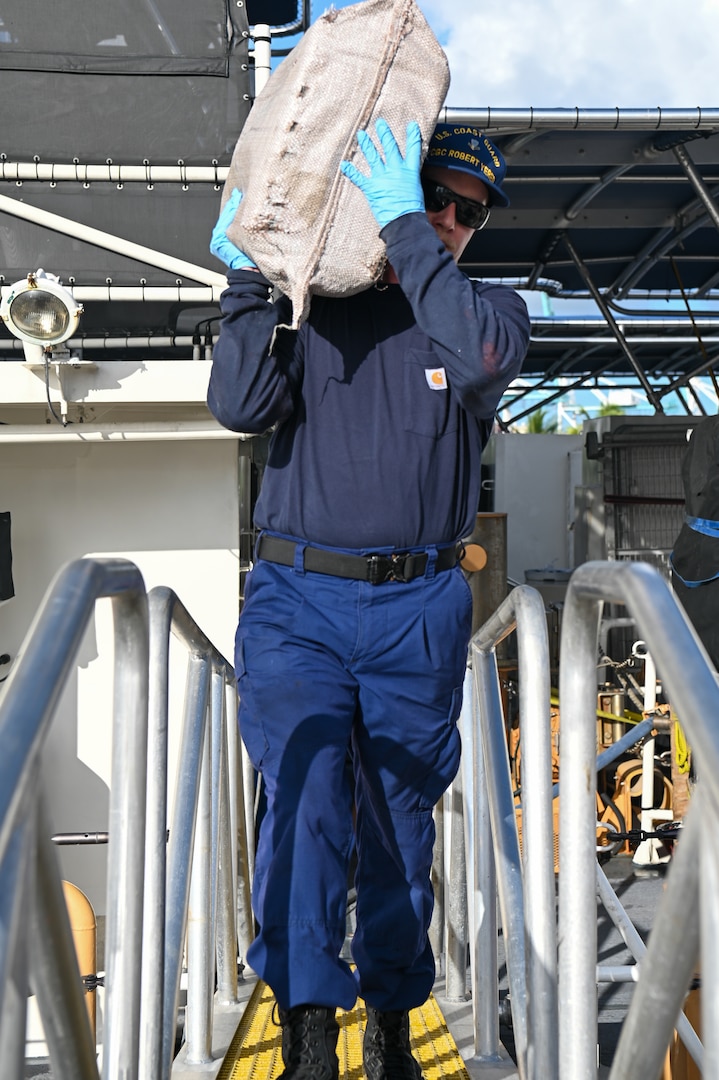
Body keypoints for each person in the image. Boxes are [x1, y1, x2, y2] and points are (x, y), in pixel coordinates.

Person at [207, 119, 530, 1080]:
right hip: (297, 600)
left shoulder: (485, 312)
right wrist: (246, 285)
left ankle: (392, 1011)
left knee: (399, 815)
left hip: (418, 604)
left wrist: (406, 226)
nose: (448, 220)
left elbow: (475, 363)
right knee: (304, 795)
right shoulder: (312, 306)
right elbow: (237, 405)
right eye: (432, 196)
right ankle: (308, 1016)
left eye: (464, 214)